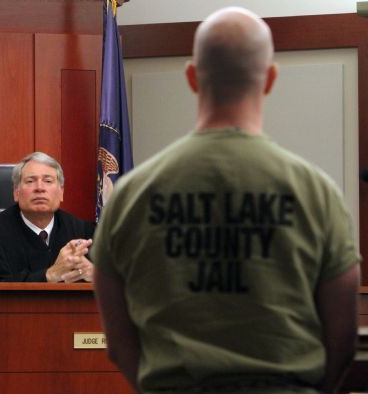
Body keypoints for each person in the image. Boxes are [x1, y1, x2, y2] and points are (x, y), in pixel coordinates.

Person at [92, 7, 361, 394]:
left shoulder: (130, 197)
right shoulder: (317, 193)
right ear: (270, 78)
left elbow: (118, 342)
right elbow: (342, 338)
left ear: (191, 77)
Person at [0, 152, 95, 282]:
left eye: (48, 181)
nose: (39, 188)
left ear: (61, 192)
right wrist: (49, 275)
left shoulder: (85, 233)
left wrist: (96, 276)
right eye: (30, 181)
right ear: (16, 192)